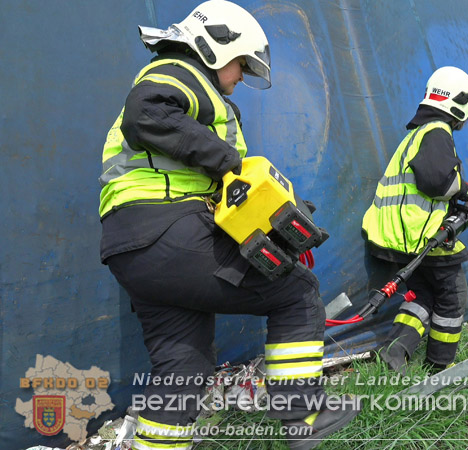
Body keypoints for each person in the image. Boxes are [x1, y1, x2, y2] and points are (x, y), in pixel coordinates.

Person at [98, 2, 358, 449]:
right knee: (297, 293)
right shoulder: (182, 72)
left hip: (132, 250)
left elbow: (207, 183)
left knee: (183, 366)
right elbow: (148, 113)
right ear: (216, 47)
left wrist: (276, 210)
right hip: (170, 230)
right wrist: (231, 163)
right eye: (240, 64)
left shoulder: (191, 91)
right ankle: (303, 414)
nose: (240, 77)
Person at [361, 66, 468, 375]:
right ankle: (441, 365)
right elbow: (435, 182)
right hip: (421, 236)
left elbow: (427, 181)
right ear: (460, 104)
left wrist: (463, 191)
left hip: (397, 237)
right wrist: (460, 192)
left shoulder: (418, 133)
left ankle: (395, 351)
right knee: (453, 295)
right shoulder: (438, 131)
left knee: (423, 296)